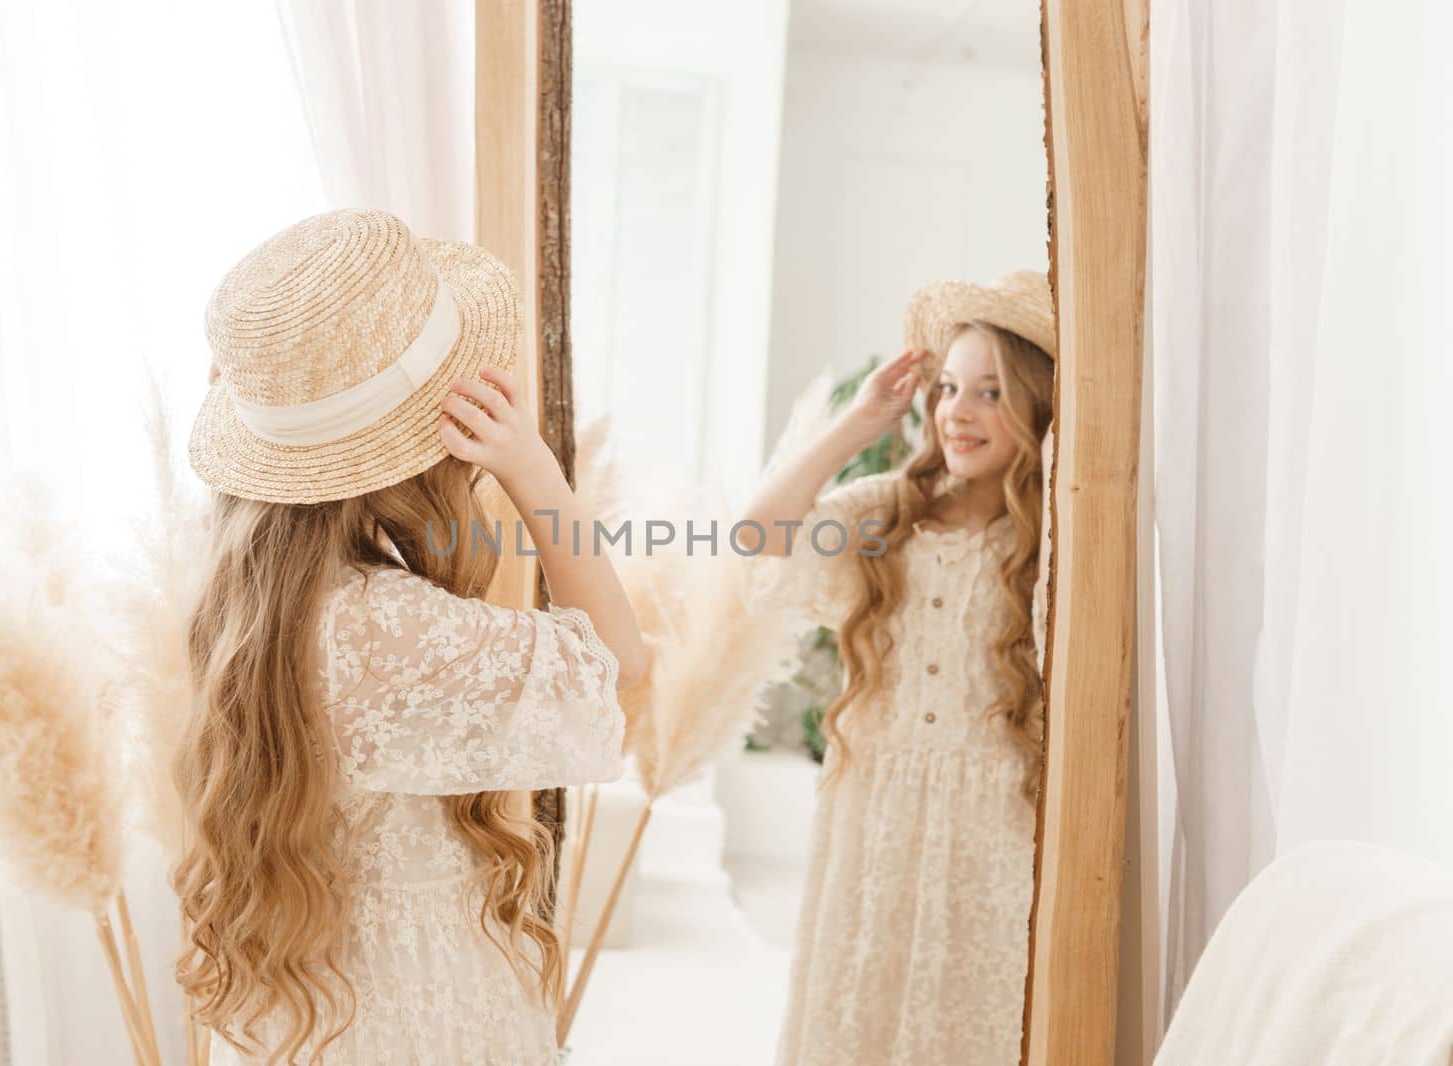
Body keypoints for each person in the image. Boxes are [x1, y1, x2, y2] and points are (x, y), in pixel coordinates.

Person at [173, 208, 646, 1065]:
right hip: (422, 1011)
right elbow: (619, 667)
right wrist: (533, 468)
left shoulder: (239, 607)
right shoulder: (386, 627)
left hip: (312, 1012)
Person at [738, 271, 1056, 1065]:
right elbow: (757, 537)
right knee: (859, 1011)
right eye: (949, 387)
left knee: (964, 1016)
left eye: (990, 392)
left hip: (994, 823)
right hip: (874, 808)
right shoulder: (888, 511)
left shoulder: (1054, 541)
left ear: (1039, 407)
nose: (959, 411)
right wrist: (857, 424)